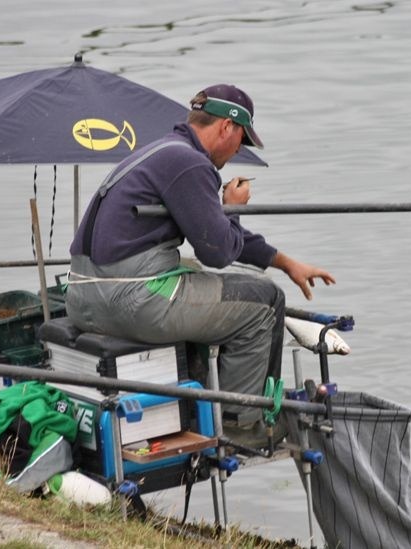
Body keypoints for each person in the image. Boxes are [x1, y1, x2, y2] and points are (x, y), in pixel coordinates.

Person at [66, 84, 335, 441]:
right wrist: (233, 208)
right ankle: (244, 424)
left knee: (196, 272)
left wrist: (285, 263)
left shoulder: (159, 152)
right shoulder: (191, 164)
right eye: (242, 139)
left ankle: (204, 401)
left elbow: (212, 233)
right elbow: (219, 251)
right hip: (129, 301)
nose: (239, 149)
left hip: (83, 296)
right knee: (266, 303)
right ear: (227, 127)